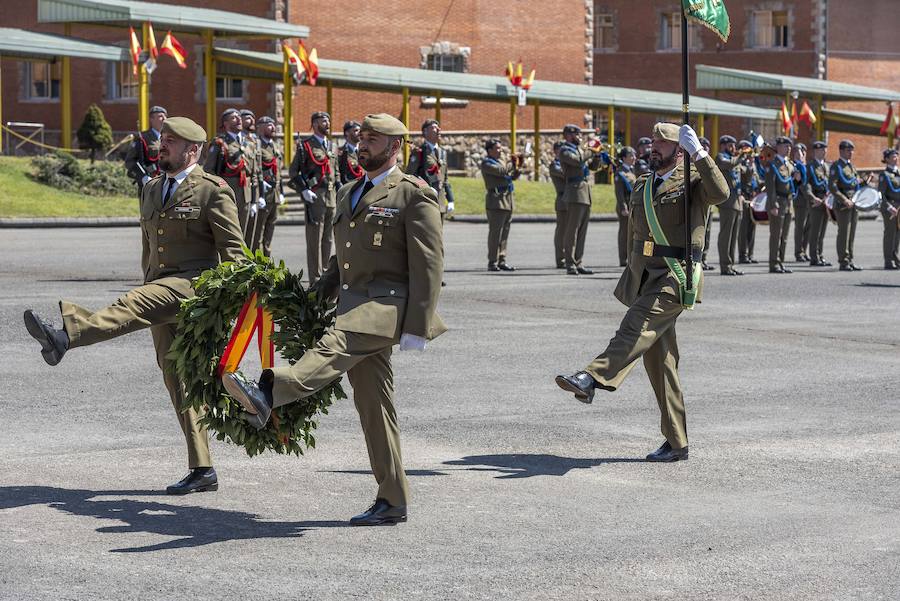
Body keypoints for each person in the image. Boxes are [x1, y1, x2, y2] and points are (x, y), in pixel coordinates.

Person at [222, 114, 446, 526]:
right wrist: (310, 298)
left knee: (336, 344)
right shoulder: (349, 191)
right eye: (361, 138)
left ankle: (270, 390)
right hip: (353, 303)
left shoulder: (414, 194)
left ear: (395, 147)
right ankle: (393, 498)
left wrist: (418, 325)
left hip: (388, 305)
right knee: (374, 405)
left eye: (373, 139)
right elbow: (340, 260)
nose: (363, 145)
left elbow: (430, 264)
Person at [23, 117, 245, 494]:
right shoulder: (152, 188)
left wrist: (227, 306)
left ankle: (66, 335)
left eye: (171, 142)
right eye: (163, 139)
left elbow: (234, 254)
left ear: (192, 150)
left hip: (194, 287)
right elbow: (149, 248)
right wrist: (148, 281)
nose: (162, 145)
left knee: (132, 303)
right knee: (178, 377)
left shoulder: (213, 191)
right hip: (159, 285)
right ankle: (202, 467)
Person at [555, 122, 728, 462]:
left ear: (679, 151)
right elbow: (636, 238)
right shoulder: (642, 185)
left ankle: (592, 377)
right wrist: (631, 278)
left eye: (662, 144)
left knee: (634, 326)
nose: (654, 148)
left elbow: (722, 193)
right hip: (646, 278)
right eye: (652, 142)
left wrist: (702, 155)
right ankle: (677, 442)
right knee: (660, 364)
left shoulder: (692, 182)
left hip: (676, 276)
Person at [289, 111, 337, 282]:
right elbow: (293, 172)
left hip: (331, 196)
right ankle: (315, 279)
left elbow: (335, 172)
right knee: (314, 240)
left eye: (328, 120)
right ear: (315, 124)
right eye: (324, 120)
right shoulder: (306, 146)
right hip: (315, 196)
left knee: (328, 238)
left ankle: (325, 274)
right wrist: (303, 190)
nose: (328, 123)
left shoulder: (331, 146)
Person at [204, 108, 261, 235]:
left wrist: (255, 199)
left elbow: (254, 173)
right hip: (228, 192)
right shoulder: (220, 143)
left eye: (239, 117)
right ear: (225, 123)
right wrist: (218, 192)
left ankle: (243, 256)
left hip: (246, 193)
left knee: (245, 235)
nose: (239, 119)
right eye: (234, 118)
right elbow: (208, 170)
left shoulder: (250, 143)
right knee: (229, 233)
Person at [559, 124, 603, 275]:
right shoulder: (565, 150)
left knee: (582, 231)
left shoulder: (580, 150)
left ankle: (579, 262)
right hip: (574, 192)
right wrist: (591, 148)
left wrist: (597, 155)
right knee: (573, 230)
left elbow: (593, 167)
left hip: (584, 191)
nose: (580, 137)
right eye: (577, 134)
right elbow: (578, 161)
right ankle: (570, 263)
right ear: (568, 135)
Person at [829, 139, 867, 271]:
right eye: (848, 150)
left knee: (851, 234)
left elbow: (853, 184)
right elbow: (833, 187)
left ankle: (850, 259)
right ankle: (843, 261)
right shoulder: (836, 166)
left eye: (852, 150)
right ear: (841, 151)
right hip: (843, 205)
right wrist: (844, 199)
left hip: (854, 204)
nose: (851, 152)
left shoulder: (852, 166)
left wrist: (864, 181)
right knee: (844, 233)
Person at [406, 119, 455, 219]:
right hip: (425, 201)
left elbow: (445, 179)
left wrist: (450, 200)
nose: (438, 130)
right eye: (434, 127)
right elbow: (410, 177)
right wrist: (426, 187)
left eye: (438, 127)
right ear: (425, 132)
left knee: (439, 234)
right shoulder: (419, 152)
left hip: (440, 203)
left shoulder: (442, 152)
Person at [253, 116, 283, 257]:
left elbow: (279, 171)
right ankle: (257, 263)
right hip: (262, 194)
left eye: (273, 124)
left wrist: (281, 192)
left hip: (274, 194)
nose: (273, 127)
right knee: (258, 233)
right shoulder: (257, 145)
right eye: (269, 125)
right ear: (260, 127)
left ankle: (266, 262)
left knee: (269, 232)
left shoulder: (275, 146)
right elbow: (255, 169)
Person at [715, 135, 744, 276]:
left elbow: (746, 175)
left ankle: (730, 264)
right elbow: (730, 164)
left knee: (734, 236)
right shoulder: (720, 157)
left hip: (737, 202)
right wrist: (742, 156)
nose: (734, 148)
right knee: (726, 235)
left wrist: (750, 163)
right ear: (724, 145)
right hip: (727, 203)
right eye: (731, 145)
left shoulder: (735, 159)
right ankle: (724, 265)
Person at [765, 136, 795, 274]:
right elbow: (770, 187)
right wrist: (773, 204)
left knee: (785, 236)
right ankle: (774, 263)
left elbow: (791, 184)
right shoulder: (773, 164)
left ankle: (781, 262)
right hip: (778, 202)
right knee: (776, 235)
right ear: (778, 147)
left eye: (789, 146)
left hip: (788, 203)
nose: (788, 149)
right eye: (785, 146)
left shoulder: (789, 164)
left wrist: (799, 180)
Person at [124, 105, 167, 197]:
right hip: (149, 183)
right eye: (160, 116)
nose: (164, 119)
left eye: (165, 116)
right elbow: (130, 161)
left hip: (167, 182)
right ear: (151, 119)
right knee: (149, 211)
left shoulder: (169, 138)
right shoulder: (142, 138)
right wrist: (143, 178)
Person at [806, 141, 832, 267]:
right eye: (822, 150)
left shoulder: (826, 167)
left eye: (825, 149)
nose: (824, 152)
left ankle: (820, 255)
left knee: (822, 231)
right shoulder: (810, 166)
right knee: (815, 231)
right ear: (816, 151)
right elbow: (806, 185)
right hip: (816, 200)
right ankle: (814, 257)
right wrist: (812, 198)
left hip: (825, 201)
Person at [737, 140, 760, 264]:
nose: (751, 153)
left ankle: (750, 254)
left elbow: (756, 179)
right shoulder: (740, 163)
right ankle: (743, 255)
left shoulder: (752, 164)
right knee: (744, 228)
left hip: (753, 198)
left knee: (752, 227)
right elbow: (745, 175)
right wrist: (750, 165)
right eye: (748, 150)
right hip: (744, 198)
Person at [614, 146, 637, 267]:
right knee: (624, 233)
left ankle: (631, 256)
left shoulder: (631, 170)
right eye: (631, 156)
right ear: (624, 158)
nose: (634, 158)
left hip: (632, 205)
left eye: (634, 155)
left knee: (632, 233)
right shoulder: (621, 172)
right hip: (625, 206)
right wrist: (623, 207)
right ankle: (623, 258)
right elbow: (619, 193)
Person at [878, 148, 900, 270]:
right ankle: (888, 261)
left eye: (896, 156)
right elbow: (881, 194)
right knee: (890, 234)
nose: (896, 158)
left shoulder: (899, 172)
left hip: (899, 207)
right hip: (890, 207)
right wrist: (889, 207)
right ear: (886, 159)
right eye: (893, 156)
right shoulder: (884, 175)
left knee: (897, 235)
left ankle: (895, 258)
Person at [791, 142, 811, 262]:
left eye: (801, 152)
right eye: (796, 153)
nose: (799, 155)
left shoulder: (807, 166)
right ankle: (798, 252)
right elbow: (801, 185)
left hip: (809, 201)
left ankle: (804, 250)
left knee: (808, 227)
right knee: (800, 227)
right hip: (800, 200)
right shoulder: (794, 166)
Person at [698, 136, 715, 271]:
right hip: (698, 203)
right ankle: (696, 260)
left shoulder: (710, 163)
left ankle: (703, 259)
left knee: (707, 232)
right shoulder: (692, 163)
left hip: (709, 203)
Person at [550, 141, 567, 268]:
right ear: (555, 152)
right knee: (562, 231)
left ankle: (569, 257)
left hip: (572, 199)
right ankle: (560, 258)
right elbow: (566, 174)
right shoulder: (554, 165)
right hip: (562, 199)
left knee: (571, 231)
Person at [338, 120, 364, 187]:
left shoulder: (364, 150)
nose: (359, 133)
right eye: (356, 131)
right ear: (347, 133)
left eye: (360, 131)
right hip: (349, 188)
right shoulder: (340, 152)